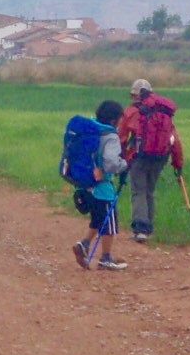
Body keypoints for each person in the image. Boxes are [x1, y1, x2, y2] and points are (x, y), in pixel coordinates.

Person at [118, 79, 184, 242]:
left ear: (135, 95)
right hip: (161, 157)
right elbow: (174, 140)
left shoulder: (131, 112)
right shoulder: (164, 112)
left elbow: (121, 138)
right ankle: (148, 228)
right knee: (149, 191)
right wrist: (178, 163)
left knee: (138, 190)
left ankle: (140, 229)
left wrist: (121, 160)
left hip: (139, 157)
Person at [72, 100, 129, 271]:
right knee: (109, 223)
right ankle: (105, 258)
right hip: (103, 188)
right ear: (113, 120)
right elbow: (111, 163)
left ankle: (84, 244)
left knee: (98, 218)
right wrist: (124, 165)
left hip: (86, 186)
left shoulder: (91, 130)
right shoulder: (110, 136)